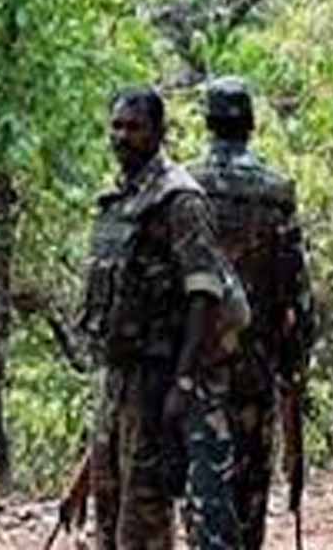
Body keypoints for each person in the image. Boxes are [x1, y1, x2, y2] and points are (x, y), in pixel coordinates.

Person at [80, 87, 242, 549]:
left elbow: (203, 293)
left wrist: (183, 382)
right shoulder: (120, 198)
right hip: (118, 375)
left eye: (133, 127)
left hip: (157, 376)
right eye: (116, 126)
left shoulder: (180, 200)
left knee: (144, 513)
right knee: (109, 507)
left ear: (158, 132)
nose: (122, 136)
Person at [188, 76, 314, 549]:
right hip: (257, 363)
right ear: (252, 124)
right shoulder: (275, 192)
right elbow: (296, 292)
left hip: (197, 362)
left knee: (204, 487)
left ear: (208, 123)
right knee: (249, 487)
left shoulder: (185, 187)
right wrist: (295, 365)